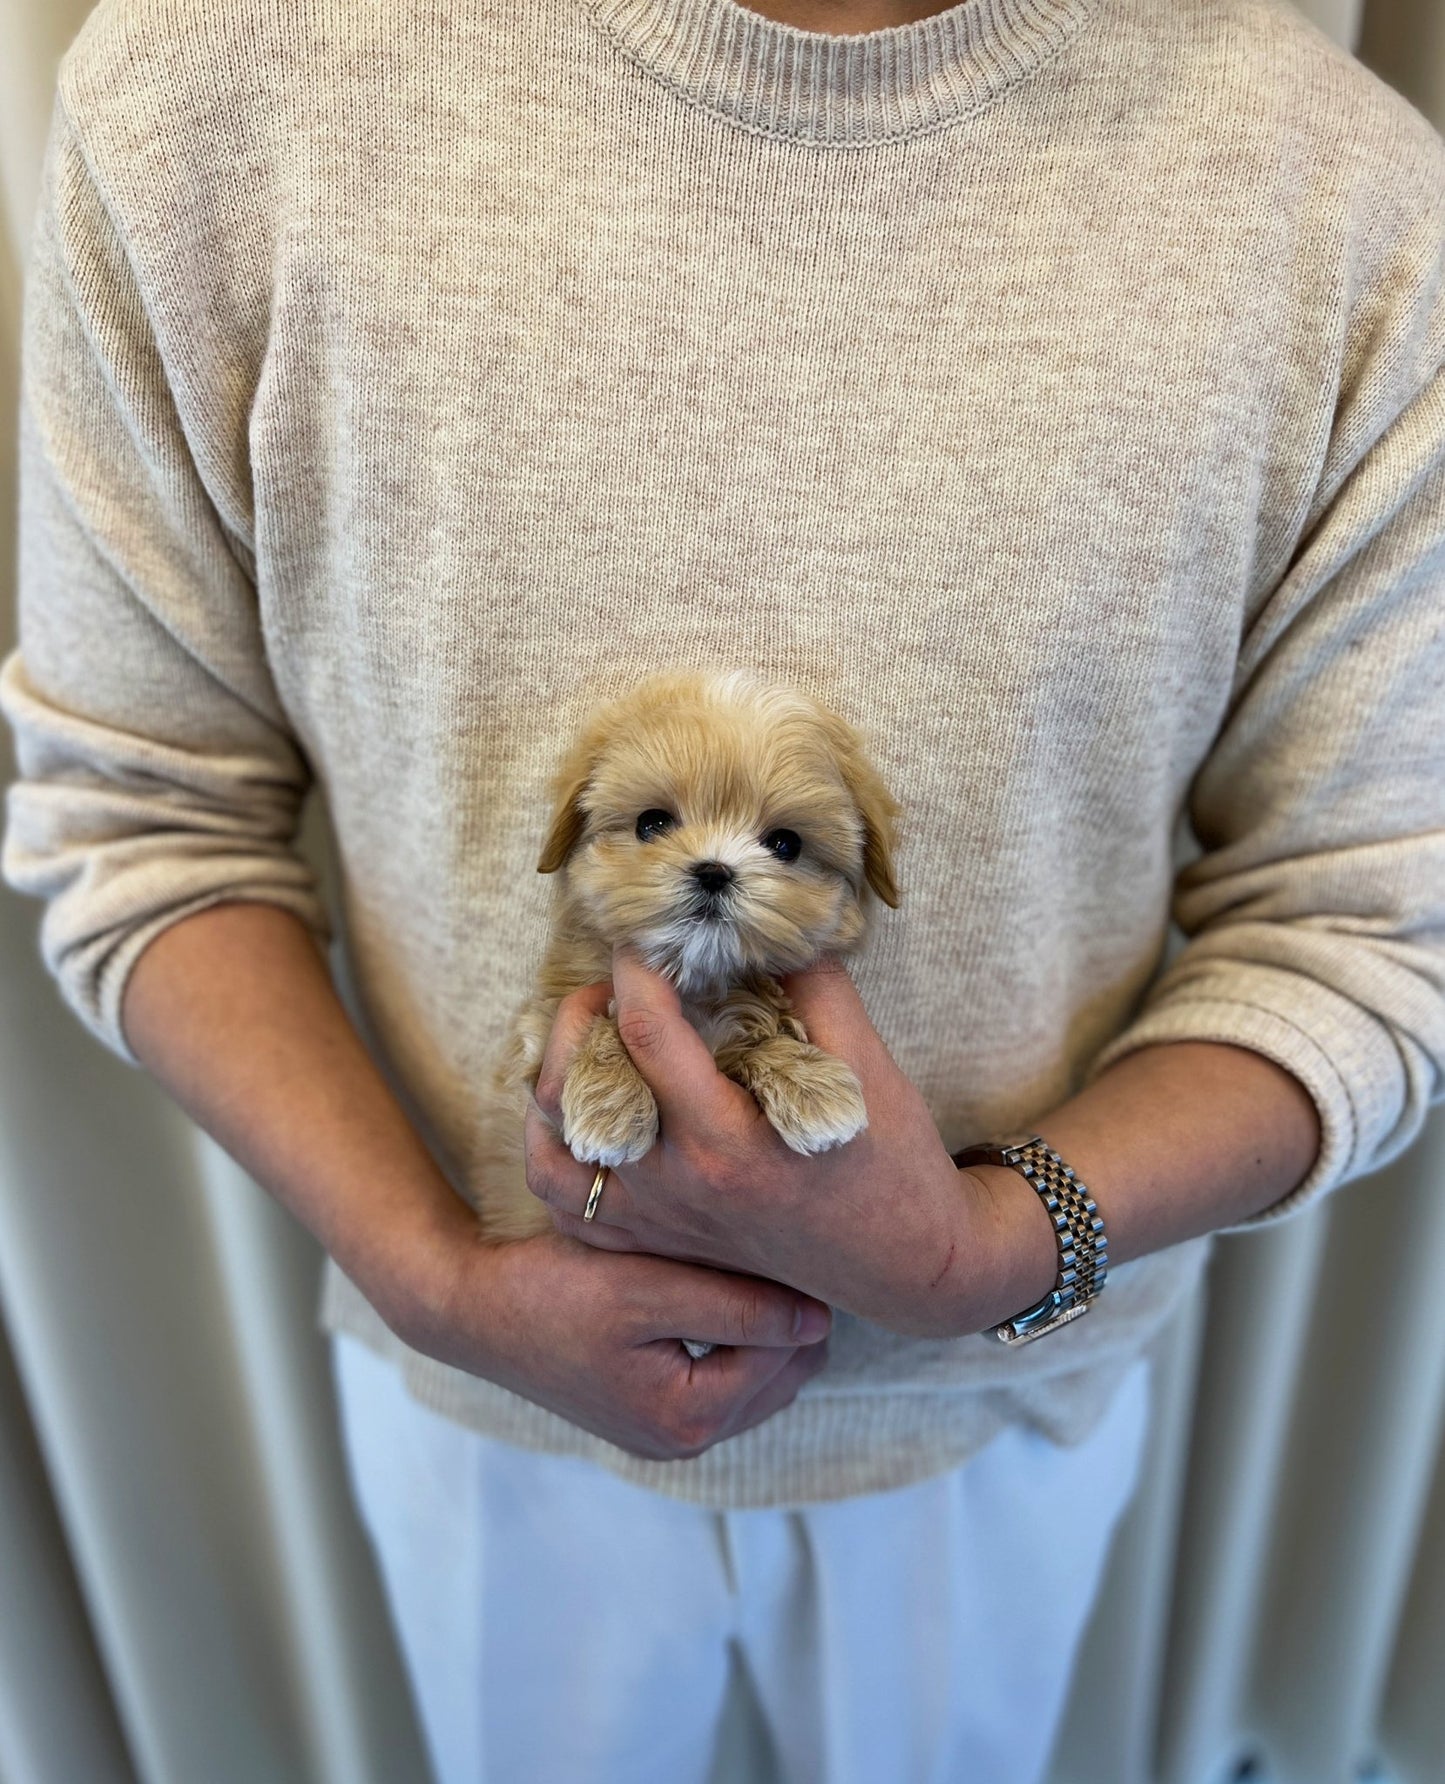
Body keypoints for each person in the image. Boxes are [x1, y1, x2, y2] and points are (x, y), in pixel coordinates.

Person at [3, 0, 1443, 1776]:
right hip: (480, 1403)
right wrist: (435, 1277)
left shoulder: (1346, 203)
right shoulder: (202, 96)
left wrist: (982, 1251)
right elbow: (139, 822)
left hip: (1010, 1411)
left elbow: (1372, 923)